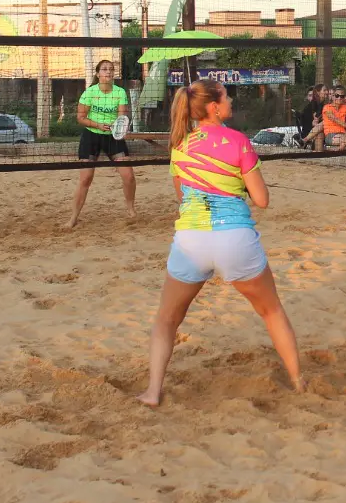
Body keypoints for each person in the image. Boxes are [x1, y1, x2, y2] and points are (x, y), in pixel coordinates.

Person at [137, 79, 303, 406]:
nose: (231, 101)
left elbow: (182, 197)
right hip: (235, 238)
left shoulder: (180, 145)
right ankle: (299, 382)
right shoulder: (239, 141)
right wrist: (241, 183)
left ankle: (153, 391)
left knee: (166, 320)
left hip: (192, 240)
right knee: (271, 311)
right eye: (226, 97)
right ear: (213, 106)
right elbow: (262, 199)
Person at [66, 59, 136, 228]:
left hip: (112, 136)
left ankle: (131, 210)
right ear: (98, 74)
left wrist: (118, 126)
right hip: (91, 135)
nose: (108, 72)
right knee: (86, 178)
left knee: (128, 175)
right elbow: (81, 118)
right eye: (104, 69)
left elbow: (122, 116)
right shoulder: (89, 93)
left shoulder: (119, 92)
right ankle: (73, 218)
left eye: (111, 69)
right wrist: (97, 125)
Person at [312, 86, 346, 151]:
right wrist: (319, 124)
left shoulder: (345, 107)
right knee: (320, 133)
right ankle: (319, 156)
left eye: (333, 94)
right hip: (326, 132)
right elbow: (314, 122)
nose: (331, 96)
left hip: (341, 132)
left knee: (323, 125)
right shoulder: (324, 106)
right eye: (330, 94)